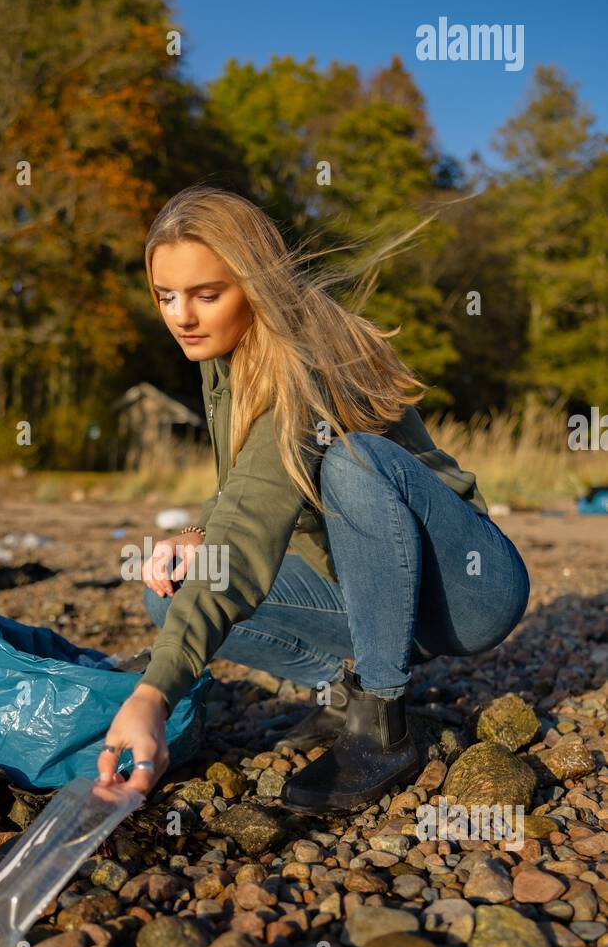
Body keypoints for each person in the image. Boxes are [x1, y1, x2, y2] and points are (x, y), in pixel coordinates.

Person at [97, 186, 530, 814]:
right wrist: (198, 535)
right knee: (172, 592)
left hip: (465, 591)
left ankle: (383, 723)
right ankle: (347, 694)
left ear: (255, 284)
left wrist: (152, 696)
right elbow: (246, 496)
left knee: (354, 463)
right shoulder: (222, 354)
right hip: (370, 596)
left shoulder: (304, 359)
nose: (181, 316)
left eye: (206, 294)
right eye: (166, 295)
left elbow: (248, 539)